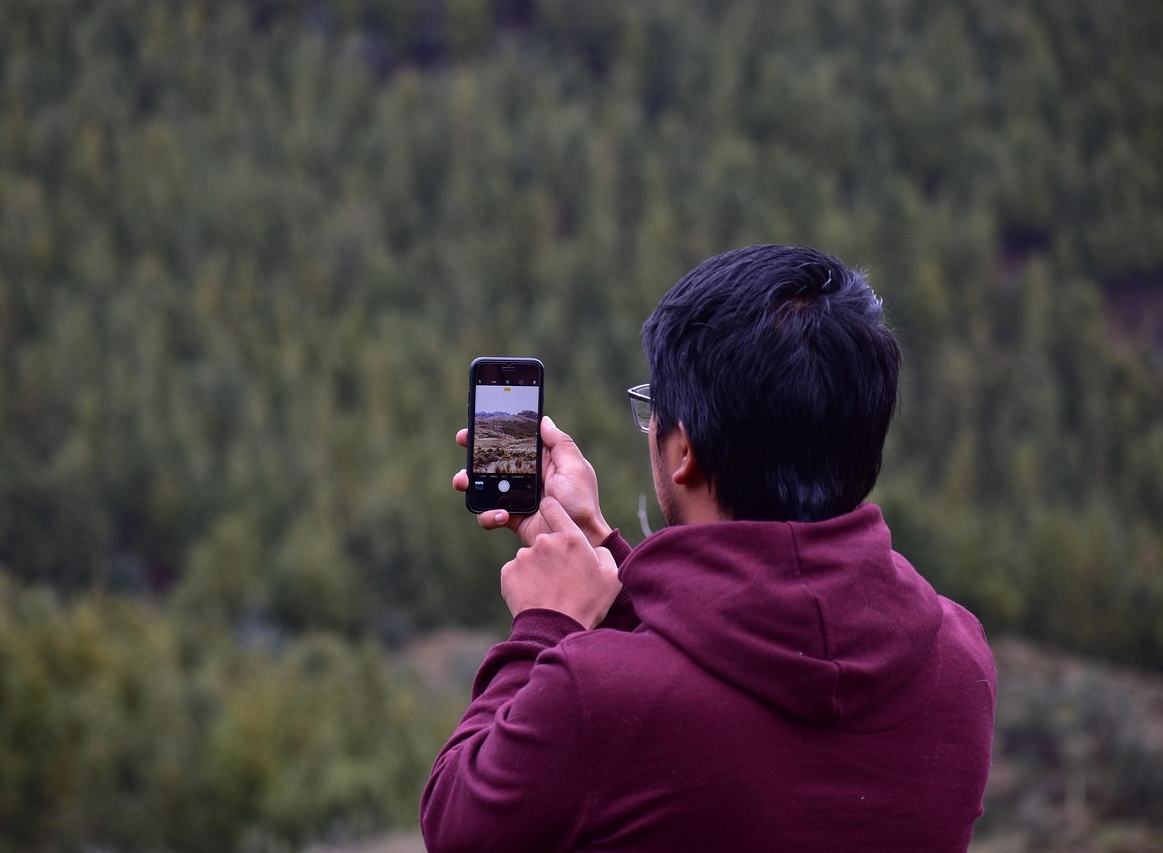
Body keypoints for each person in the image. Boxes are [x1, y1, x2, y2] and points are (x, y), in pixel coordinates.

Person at [421, 244, 997, 852]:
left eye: (653, 413)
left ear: (685, 452)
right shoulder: (960, 661)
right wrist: (600, 547)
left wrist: (546, 624)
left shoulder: (595, 700)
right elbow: (738, 645)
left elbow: (459, 824)